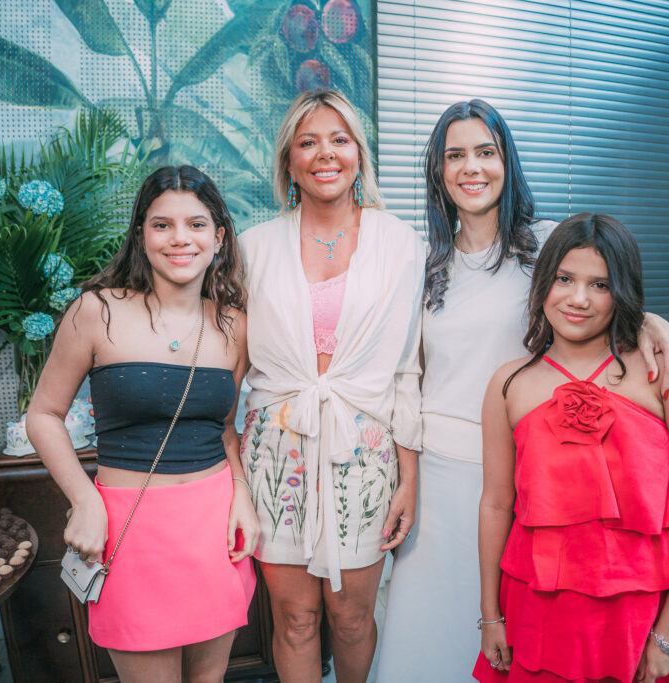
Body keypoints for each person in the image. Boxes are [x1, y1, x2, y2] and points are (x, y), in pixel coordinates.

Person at [377, 100, 669, 682]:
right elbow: (406, 376)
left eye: (486, 152)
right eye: (455, 155)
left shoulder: (548, 245)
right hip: (444, 474)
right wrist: (407, 477)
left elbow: (603, 296)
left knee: (534, 625)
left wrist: (658, 325)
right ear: (437, 170)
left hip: (539, 470)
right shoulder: (423, 264)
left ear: (508, 162)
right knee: (425, 634)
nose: (471, 168)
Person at [27, 166, 258, 683]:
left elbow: (224, 427)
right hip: (129, 533)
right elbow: (43, 415)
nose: (180, 238)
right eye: (162, 225)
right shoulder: (96, 311)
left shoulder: (234, 324)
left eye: (197, 224)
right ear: (140, 235)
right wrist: (86, 500)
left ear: (218, 237)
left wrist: (241, 494)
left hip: (212, 527)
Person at [474, 212, 669, 682]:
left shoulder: (667, 374)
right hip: (538, 609)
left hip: (639, 614)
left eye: (600, 285)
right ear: (544, 282)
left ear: (622, 292)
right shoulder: (509, 383)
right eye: (564, 279)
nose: (578, 299)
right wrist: (490, 616)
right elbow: (497, 504)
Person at [238, 89, 425, 682]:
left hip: (365, 455)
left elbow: (407, 369)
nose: (326, 154)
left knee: (351, 616)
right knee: (294, 618)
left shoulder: (400, 243)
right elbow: (227, 361)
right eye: (308, 141)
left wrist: (409, 477)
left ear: (359, 155)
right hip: (275, 454)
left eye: (339, 140)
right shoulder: (252, 247)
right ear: (288, 161)